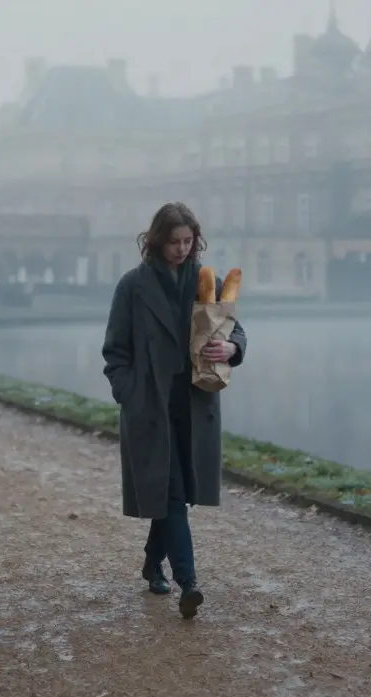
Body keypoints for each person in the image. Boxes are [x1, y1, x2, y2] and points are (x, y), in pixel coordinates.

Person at [101, 202, 247, 620]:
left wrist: (232, 348)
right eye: (174, 242)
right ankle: (189, 582)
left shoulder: (208, 282)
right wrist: (129, 394)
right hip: (151, 409)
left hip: (195, 406)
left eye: (188, 241)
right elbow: (115, 351)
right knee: (172, 492)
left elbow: (235, 329)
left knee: (176, 499)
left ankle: (152, 562)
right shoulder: (132, 287)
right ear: (156, 241)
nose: (182, 249)